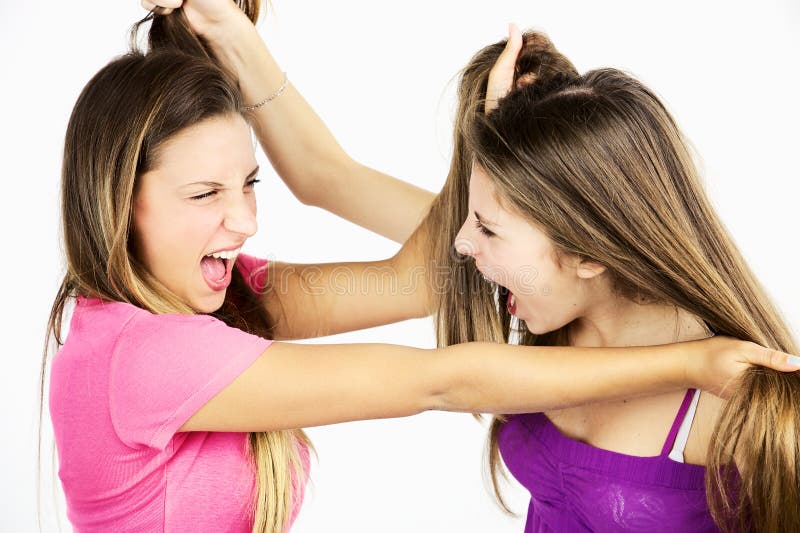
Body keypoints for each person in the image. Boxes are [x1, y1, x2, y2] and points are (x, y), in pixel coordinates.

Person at [41, 2, 797, 533]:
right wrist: (695, 362)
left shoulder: (217, 299)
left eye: (248, 185)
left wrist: (487, 133)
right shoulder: (144, 353)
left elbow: (412, 275)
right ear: (116, 200)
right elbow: (440, 374)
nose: (246, 221)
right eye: (206, 193)